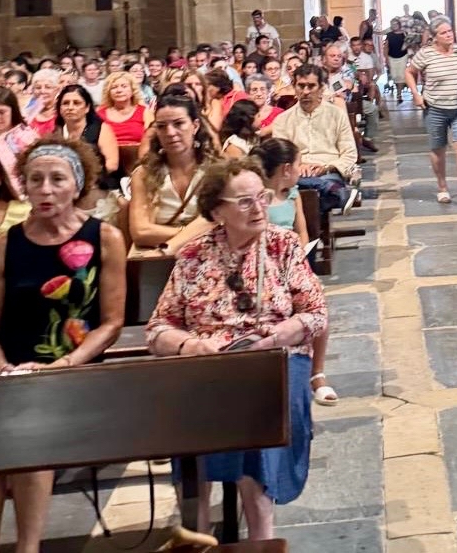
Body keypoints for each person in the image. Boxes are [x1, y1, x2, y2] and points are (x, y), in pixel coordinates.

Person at [147, 158, 326, 541]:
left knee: (259, 408)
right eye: (244, 202)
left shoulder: (283, 245)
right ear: (216, 211)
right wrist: (189, 344)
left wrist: (275, 338)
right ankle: (196, 531)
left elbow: (315, 314)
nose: (259, 207)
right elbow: (158, 329)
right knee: (186, 407)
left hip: (274, 358)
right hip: (209, 364)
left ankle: (262, 534)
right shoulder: (194, 256)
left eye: (261, 197)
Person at [0, 137, 126, 553]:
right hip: (12, 374)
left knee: (27, 430)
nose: (45, 189)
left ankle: (28, 547)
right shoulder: (6, 244)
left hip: (74, 371)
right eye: (35, 180)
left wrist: (65, 364)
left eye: (57, 179)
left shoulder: (103, 237)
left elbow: (110, 323)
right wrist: (2, 370)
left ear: (77, 184)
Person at [250, 138, 338, 405]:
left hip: (293, 260)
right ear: (286, 168)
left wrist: (299, 255)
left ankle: (317, 374)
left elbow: (301, 231)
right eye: (299, 164)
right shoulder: (258, 197)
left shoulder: (293, 194)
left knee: (317, 304)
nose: (301, 169)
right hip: (264, 262)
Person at [406, 16, 457, 207]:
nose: (449, 35)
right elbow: (410, 72)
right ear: (434, 37)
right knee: (438, 148)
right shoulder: (426, 54)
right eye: (444, 33)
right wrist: (416, 94)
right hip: (435, 107)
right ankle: (442, 187)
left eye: (450, 31)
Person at [129, 95, 218, 253]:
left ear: (195, 126)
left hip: (205, 254)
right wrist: (193, 233)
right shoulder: (144, 173)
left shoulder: (216, 171)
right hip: (155, 256)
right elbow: (140, 232)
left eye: (178, 124)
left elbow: (218, 221)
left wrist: (167, 245)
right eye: (162, 126)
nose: (170, 132)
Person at [271, 64, 360, 216]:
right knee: (294, 187)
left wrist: (326, 167)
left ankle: (309, 234)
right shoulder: (282, 120)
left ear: (321, 88)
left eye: (311, 86)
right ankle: (335, 193)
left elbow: (350, 154)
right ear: (294, 87)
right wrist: (298, 166)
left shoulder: (336, 115)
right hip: (296, 174)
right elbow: (278, 156)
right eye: (301, 86)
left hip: (329, 171)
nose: (305, 92)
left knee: (307, 195)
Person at [55, 84, 120, 193]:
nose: (70, 107)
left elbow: (112, 164)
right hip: (65, 186)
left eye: (76, 103)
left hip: (99, 185)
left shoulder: (101, 129)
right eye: (65, 103)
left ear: (87, 108)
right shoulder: (57, 132)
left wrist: (82, 179)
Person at [98, 71, 151, 145]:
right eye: (114, 87)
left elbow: (152, 139)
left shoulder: (144, 112)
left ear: (132, 90)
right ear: (108, 92)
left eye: (124, 86)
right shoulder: (99, 114)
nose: (119, 90)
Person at [27, 68, 61, 136]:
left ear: (57, 90)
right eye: (38, 87)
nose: (42, 91)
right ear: (33, 90)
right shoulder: (27, 112)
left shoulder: (62, 111)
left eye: (48, 87)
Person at [383, 18, 410, 97]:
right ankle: (398, 89)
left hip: (403, 56)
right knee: (395, 76)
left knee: (401, 76)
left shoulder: (404, 33)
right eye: (392, 24)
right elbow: (386, 47)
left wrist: (405, 47)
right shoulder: (389, 34)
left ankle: (399, 93)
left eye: (395, 24)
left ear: (399, 24)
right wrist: (386, 58)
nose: (394, 26)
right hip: (391, 57)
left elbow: (409, 43)